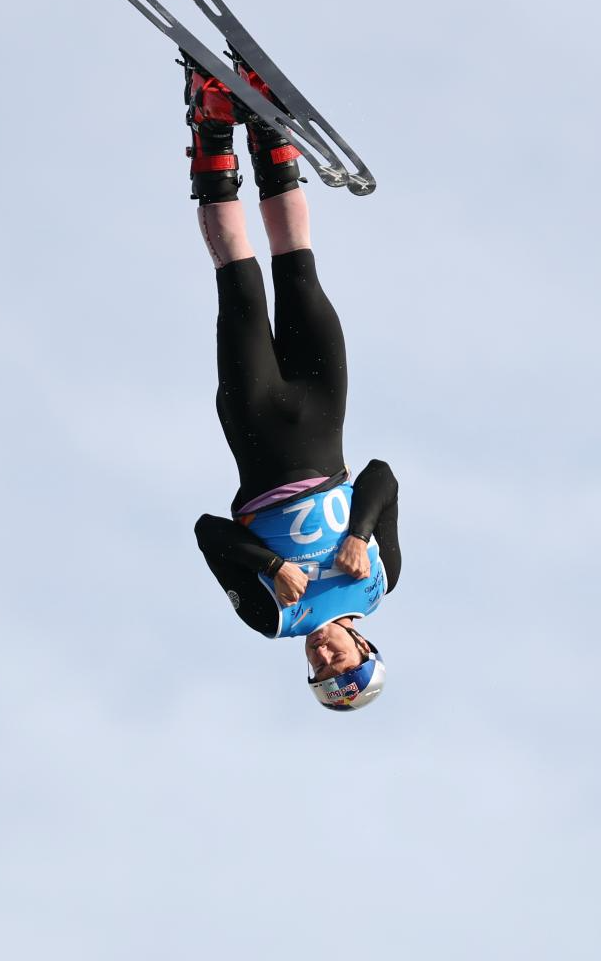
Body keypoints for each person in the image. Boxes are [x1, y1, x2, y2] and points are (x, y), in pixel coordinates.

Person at [182, 50, 401, 711]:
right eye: (339, 665)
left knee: (239, 283)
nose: (322, 659)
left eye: (318, 673)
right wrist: (359, 535)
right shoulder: (379, 583)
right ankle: (269, 134)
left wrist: (272, 566)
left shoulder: (269, 617)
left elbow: (209, 532)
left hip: (255, 425)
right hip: (321, 411)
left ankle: (211, 126)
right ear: (364, 649)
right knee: (298, 269)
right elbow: (381, 476)